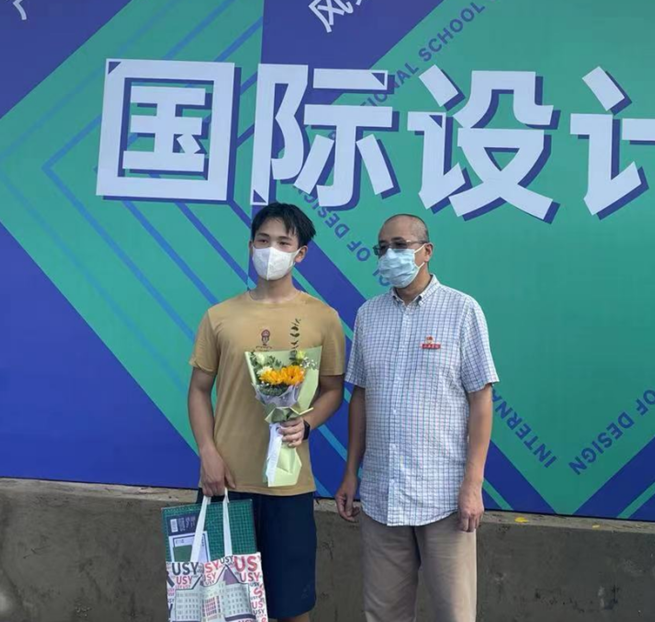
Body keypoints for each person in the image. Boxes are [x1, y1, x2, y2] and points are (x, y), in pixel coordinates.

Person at [187, 202, 346, 622]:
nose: (270, 250)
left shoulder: (323, 319)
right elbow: (199, 391)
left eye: (283, 242)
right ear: (250, 246)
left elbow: (333, 391)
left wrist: (307, 423)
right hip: (226, 483)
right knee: (224, 608)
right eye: (263, 240)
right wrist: (208, 453)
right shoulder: (219, 316)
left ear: (300, 253)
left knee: (292, 606)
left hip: (288, 485)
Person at [336, 214, 498, 622]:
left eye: (400, 245)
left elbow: (481, 400)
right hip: (381, 494)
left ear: (427, 251)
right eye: (382, 247)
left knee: (455, 614)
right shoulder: (368, 315)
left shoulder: (462, 310)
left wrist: (473, 484)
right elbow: (360, 396)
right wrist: (351, 473)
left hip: (443, 497)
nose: (390, 254)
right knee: (382, 614)